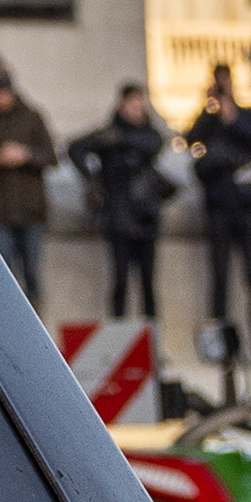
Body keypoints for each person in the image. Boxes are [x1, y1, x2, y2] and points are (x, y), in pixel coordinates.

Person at [188, 65, 251, 363]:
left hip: (248, 206)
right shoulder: (210, 121)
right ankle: (221, 350)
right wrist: (207, 107)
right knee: (219, 278)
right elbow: (189, 139)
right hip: (219, 208)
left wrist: (230, 113)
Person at [78, 82, 177, 326]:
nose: (137, 110)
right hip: (119, 215)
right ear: (122, 105)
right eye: (132, 104)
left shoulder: (145, 134)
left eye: (140, 105)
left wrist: (122, 140)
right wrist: (93, 178)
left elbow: (154, 143)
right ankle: (118, 340)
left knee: (147, 282)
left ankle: (151, 341)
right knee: (120, 279)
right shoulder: (108, 134)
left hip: (145, 215)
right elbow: (76, 148)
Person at [0, 58, 56, 299]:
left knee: (32, 275)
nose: (0, 99)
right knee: (4, 277)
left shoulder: (32, 117)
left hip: (30, 211)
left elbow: (50, 156)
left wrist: (24, 155)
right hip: (0, 211)